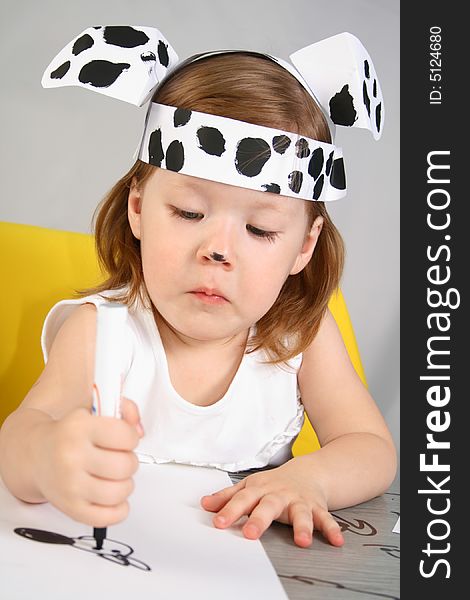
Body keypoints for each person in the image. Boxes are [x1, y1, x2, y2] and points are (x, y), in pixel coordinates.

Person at [0, 26, 396, 549]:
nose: (218, 249)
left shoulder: (301, 337)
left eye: (259, 230)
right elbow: (20, 438)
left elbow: (370, 448)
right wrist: (50, 457)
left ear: (304, 244)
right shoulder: (104, 330)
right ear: (138, 209)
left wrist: (310, 478)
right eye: (189, 212)